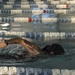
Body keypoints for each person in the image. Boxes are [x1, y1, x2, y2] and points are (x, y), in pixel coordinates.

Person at [0, 37, 65, 58]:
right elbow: (20, 40)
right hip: (11, 58)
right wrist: (6, 42)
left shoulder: (40, 53)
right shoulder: (37, 50)